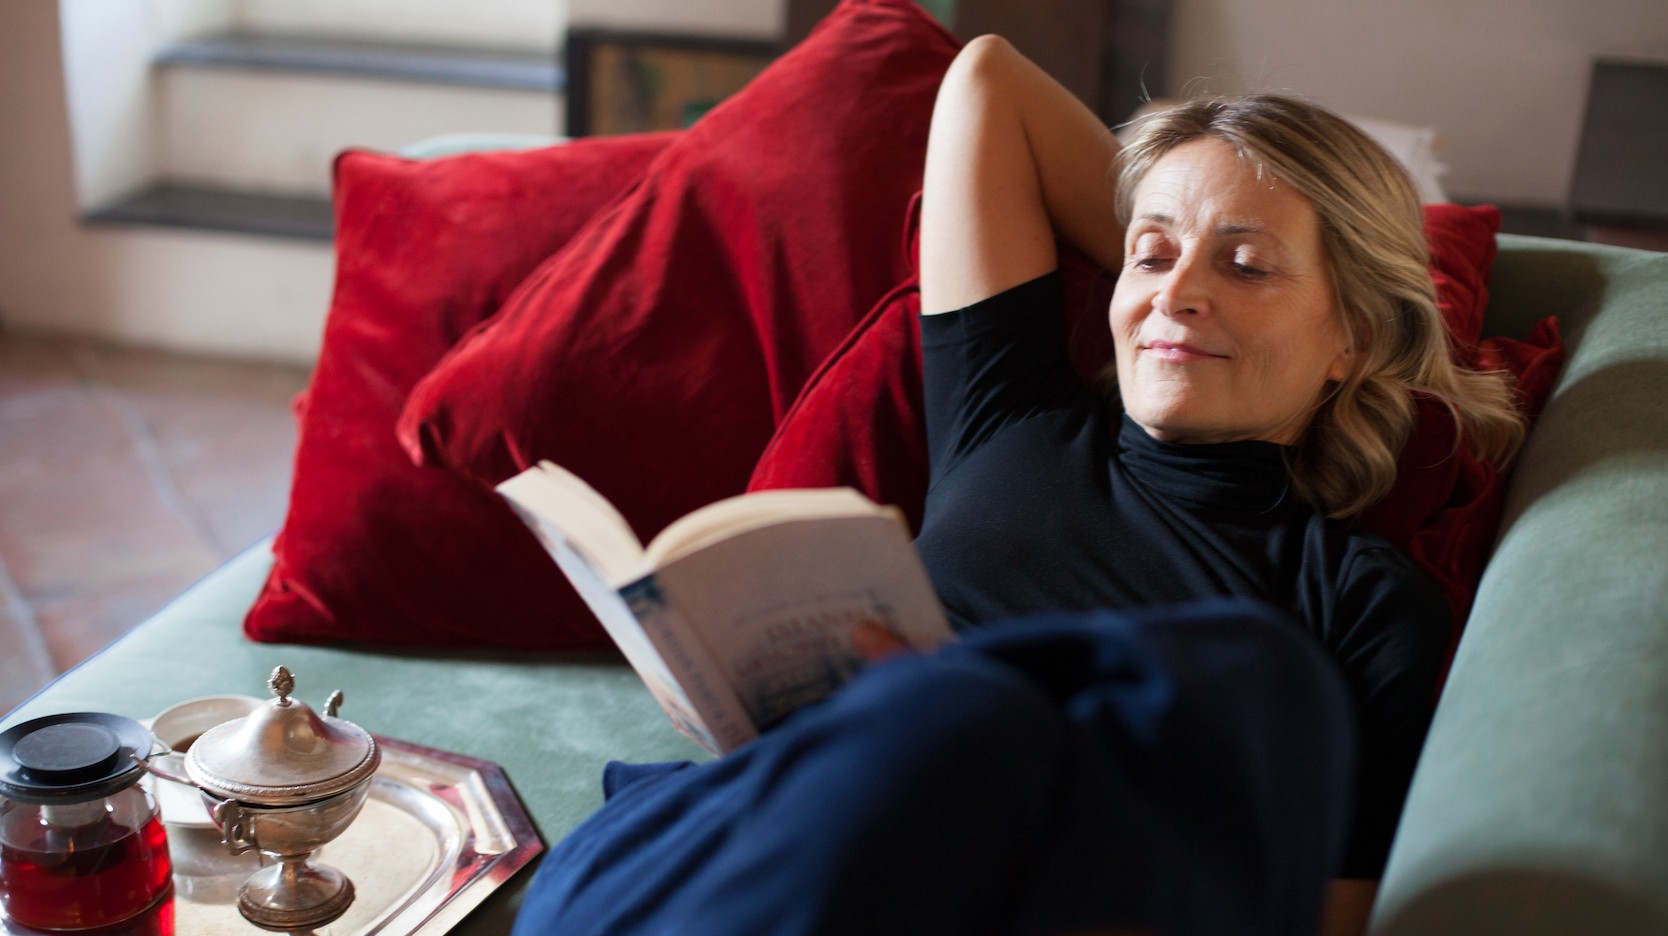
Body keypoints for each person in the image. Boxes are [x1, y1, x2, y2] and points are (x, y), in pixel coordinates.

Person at [511, 35, 1526, 936]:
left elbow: (1333, 909)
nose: (1175, 291)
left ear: (1352, 335)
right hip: (729, 847)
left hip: (987, 876)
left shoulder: (1356, 596)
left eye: (1249, 265)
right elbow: (988, 82)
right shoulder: (1013, 415)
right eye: (1151, 254)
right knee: (972, 723)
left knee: (1240, 682)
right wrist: (1188, 221)